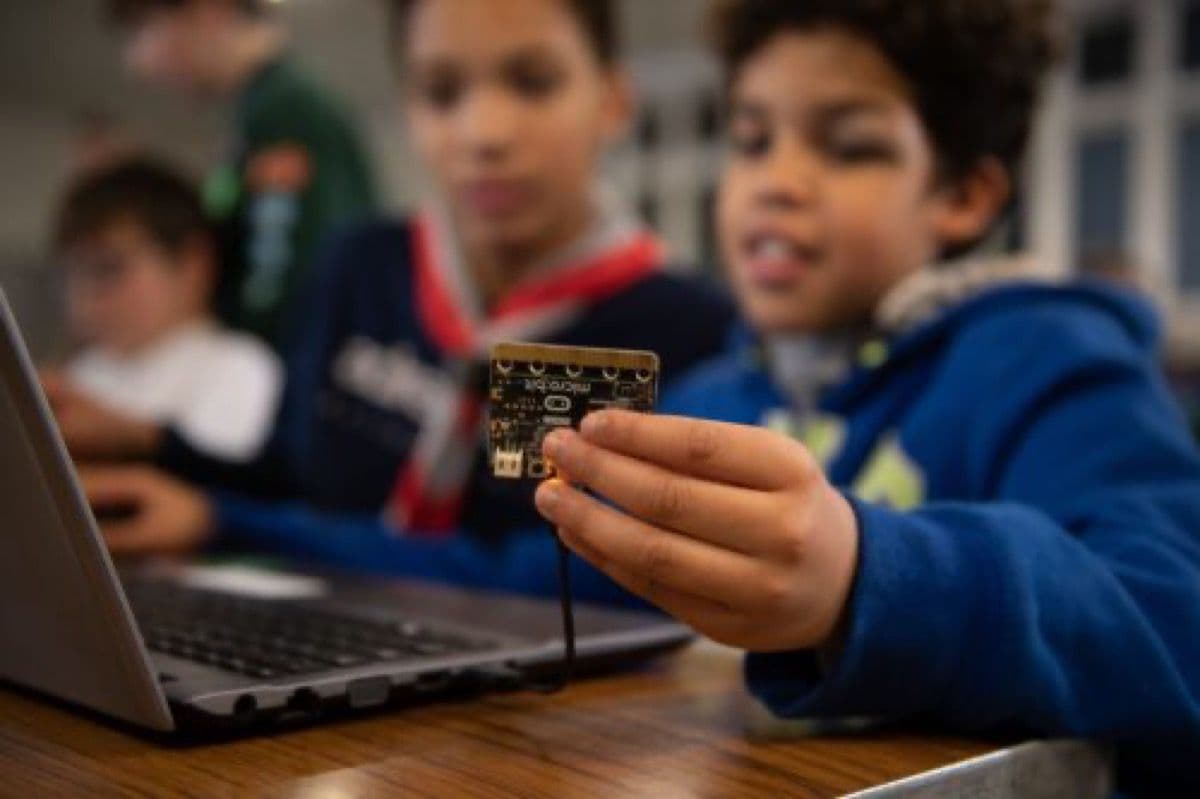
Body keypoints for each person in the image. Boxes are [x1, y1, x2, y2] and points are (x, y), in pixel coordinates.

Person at [528, 0, 1200, 792]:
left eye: (849, 147)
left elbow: (1173, 624)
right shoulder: (712, 393)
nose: (776, 181)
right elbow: (566, 581)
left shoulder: (1048, 361)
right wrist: (341, 553)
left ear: (965, 196)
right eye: (750, 140)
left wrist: (863, 579)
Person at [78, 0, 735, 599]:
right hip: (316, 641)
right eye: (441, 92)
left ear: (614, 101)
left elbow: (563, 570)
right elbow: (292, 476)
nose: (485, 133)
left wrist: (224, 523)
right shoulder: (359, 267)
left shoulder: (683, 327)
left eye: (533, 82)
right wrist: (150, 445)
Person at [108, 0, 377, 350]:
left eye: (144, 29)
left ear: (208, 10)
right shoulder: (255, 119)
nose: (139, 63)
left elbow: (285, 285)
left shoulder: (283, 110)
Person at [45, 159, 281, 465]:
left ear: (192, 265)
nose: (85, 296)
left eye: (108, 269)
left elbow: (219, 482)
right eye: (71, 275)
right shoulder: (83, 373)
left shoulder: (241, 368)